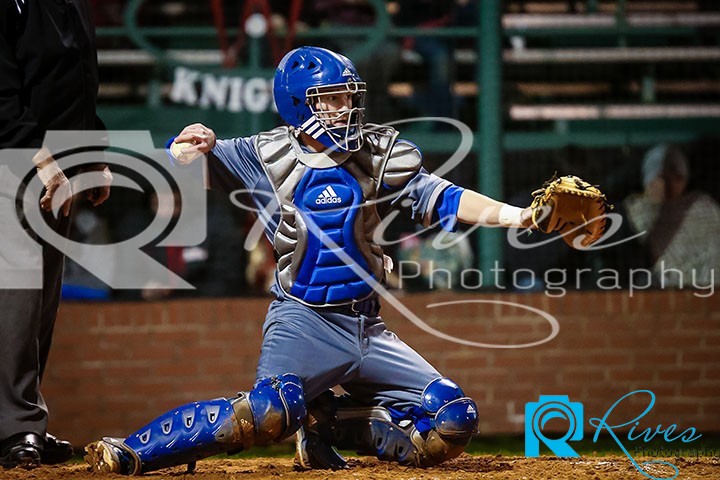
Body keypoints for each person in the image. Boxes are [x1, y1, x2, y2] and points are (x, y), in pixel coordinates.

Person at [84, 46, 539, 475]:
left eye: (348, 97)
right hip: (302, 320)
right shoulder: (264, 154)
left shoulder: (376, 153)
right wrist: (184, 144)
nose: (345, 108)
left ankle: (326, 422)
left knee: (451, 422)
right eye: (332, 99)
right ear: (300, 105)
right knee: (269, 413)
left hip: (367, 325)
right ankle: (132, 452)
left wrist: (521, 216)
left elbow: (443, 197)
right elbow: (180, 164)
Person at [0, 0, 112, 469]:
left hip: (59, 164)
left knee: (41, 305)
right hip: (14, 161)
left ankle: (24, 421)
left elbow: (79, 78)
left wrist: (94, 152)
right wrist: (37, 157)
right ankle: (14, 428)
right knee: (16, 305)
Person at [624, 144, 720, 287]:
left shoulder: (703, 208)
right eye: (660, 176)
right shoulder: (635, 211)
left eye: (675, 175)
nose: (664, 184)